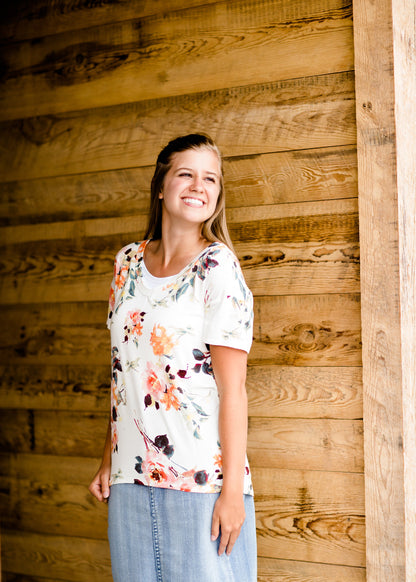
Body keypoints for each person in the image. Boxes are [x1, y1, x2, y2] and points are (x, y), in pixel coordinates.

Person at [89, 134, 256, 582]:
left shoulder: (217, 267)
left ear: (218, 195)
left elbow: (232, 388)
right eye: (186, 173)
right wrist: (110, 457)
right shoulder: (126, 263)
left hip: (200, 481)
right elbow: (124, 373)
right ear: (161, 186)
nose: (198, 185)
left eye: (210, 179)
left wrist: (233, 494)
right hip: (131, 478)